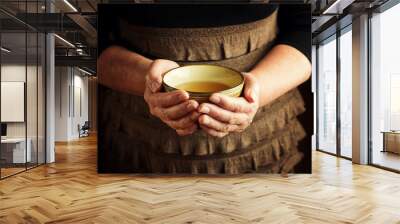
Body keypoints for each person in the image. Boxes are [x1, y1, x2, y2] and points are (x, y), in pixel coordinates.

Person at [97, 4, 311, 174]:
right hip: (141, 138)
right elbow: (96, 42)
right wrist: (145, 78)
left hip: (261, 136)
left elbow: (304, 28)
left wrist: (257, 90)